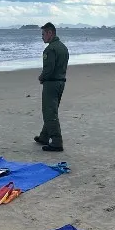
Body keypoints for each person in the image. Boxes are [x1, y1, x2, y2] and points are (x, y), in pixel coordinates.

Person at [35, 22, 68, 152]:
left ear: (50, 33)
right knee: (51, 110)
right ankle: (44, 136)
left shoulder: (50, 49)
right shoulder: (63, 47)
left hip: (52, 83)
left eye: (43, 34)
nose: (42, 37)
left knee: (49, 112)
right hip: (61, 82)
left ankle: (56, 141)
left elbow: (49, 68)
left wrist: (42, 77)